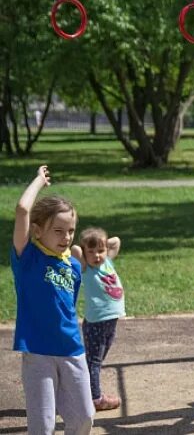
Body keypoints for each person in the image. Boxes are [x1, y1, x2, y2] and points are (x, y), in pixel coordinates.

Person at [12, 165, 94, 434]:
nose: (67, 237)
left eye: (70, 230)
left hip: (72, 349)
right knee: (43, 426)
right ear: (37, 231)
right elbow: (23, 210)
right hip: (38, 352)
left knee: (84, 418)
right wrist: (38, 181)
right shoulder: (28, 258)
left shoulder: (72, 264)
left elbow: (66, 307)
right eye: (58, 230)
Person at [71, 228, 124, 411]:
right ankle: (95, 398)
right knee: (93, 361)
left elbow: (116, 241)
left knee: (96, 361)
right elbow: (75, 249)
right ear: (85, 255)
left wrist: (103, 243)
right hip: (97, 322)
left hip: (110, 320)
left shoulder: (107, 262)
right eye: (91, 252)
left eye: (100, 250)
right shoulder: (86, 268)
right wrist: (90, 248)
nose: (96, 255)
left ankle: (85, 392)